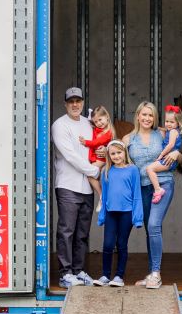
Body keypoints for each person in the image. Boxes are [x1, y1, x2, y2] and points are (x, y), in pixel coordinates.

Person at [124, 101, 181, 288]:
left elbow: (179, 151)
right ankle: (151, 274)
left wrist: (178, 154)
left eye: (151, 115)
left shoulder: (163, 133)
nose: (147, 118)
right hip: (142, 188)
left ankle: (156, 274)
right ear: (138, 116)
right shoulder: (128, 139)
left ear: (155, 118)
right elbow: (118, 161)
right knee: (151, 230)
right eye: (144, 114)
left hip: (163, 184)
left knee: (154, 225)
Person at [51, 86, 100, 288]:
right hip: (68, 185)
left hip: (87, 187)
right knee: (67, 231)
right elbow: (70, 155)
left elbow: (98, 144)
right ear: (65, 104)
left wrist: (102, 155)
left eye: (78, 101)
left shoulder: (88, 123)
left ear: (82, 103)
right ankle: (66, 273)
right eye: (71, 101)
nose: (75, 104)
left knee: (82, 233)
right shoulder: (59, 125)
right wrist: (94, 171)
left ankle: (79, 271)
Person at [93, 140, 143, 286]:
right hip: (111, 213)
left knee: (121, 244)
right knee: (108, 244)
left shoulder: (133, 170)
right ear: (109, 155)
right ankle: (105, 275)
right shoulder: (106, 171)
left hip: (127, 213)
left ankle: (119, 276)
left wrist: (137, 218)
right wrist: (102, 215)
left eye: (119, 152)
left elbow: (137, 195)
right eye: (113, 153)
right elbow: (104, 196)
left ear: (125, 152)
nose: (116, 156)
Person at [145, 105, 182, 201]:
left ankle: (158, 189)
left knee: (149, 169)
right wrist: (160, 128)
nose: (168, 124)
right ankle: (157, 190)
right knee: (150, 169)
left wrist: (161, 155)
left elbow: (171, 145)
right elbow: (166, 130)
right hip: (170, 160)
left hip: (167, 159)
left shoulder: (173, 132)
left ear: (178, 123)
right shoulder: (172, 130)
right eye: (167, 121)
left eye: (172, 122)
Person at [82, 106, 114, 206]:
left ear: (107, 117)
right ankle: (102, 196)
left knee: (89, 174)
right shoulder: (98, 129)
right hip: (97, 158)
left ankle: (101, 195)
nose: (99, 123)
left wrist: (85, 142)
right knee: (95, 176)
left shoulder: (109, 133)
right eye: (96, 122)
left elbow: (97, 142)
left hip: (102, 159)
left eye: (100, 120)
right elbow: (92, 129)